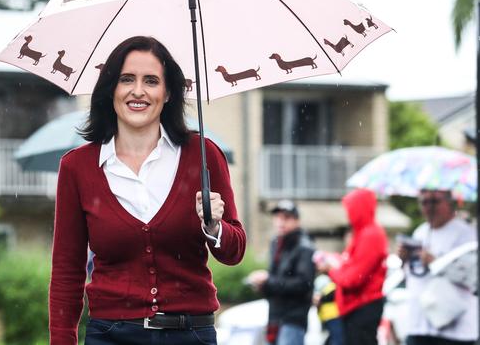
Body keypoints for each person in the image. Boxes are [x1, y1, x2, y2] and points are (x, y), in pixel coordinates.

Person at [48, 36, 247, 345]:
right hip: (110, 336)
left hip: (190, 334)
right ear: (111, 89)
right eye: (127, 79)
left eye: (151, 81)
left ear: (167, 93)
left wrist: (214, 226)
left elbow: (234, 252)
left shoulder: (204, 155)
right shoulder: (77, 167)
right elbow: (66, 269)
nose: (138, 91)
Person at [398, 189, 478, 345]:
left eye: (434, 201)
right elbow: (411, 277)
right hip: (419, 324)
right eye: (424, 202)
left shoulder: (465, 233)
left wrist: (436, 262)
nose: (429, 207)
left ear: (449, 203)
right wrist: (404, 260)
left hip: (454, 329)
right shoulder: (420, 232)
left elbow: (472, 277)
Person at [317, 188, 388, 345]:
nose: (348, 214)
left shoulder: (370, 235)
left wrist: (331, 270)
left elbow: (353, 279)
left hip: (362, 306)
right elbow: (348, 265)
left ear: (359, 209)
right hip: (356, 307)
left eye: (351, 209)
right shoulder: (363, 234)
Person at [247, 199, 315, 345]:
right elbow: (277, 278)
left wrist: (268, 280)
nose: (280, 222)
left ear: (297, 220)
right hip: (275, 318)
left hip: (292, 319)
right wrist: (263, 284)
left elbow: (303, 284)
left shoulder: (304, 247)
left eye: (286, 217)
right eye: (278, 217)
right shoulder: (276, 243)